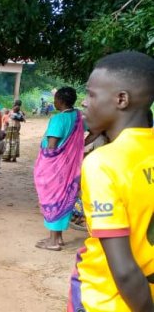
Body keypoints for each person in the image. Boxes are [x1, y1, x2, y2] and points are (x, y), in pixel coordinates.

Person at [67, 51, 154, 312]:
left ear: (121, 99)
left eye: (91, 94)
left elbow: (125, 271)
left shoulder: (104, 164)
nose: (84, 102)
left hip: (107, 299)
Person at [33, 89, 85, 251]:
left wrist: (45, 164)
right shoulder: (79, 117)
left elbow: (52, 146)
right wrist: (79, 146)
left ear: (60, 100)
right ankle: (57, 238)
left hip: (55, 166)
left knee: (52, 198)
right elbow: (96, 131)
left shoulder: (58, 119)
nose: (54, 102)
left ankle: (54, 241)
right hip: (70, 165)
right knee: (63, 197)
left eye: (55, 99)